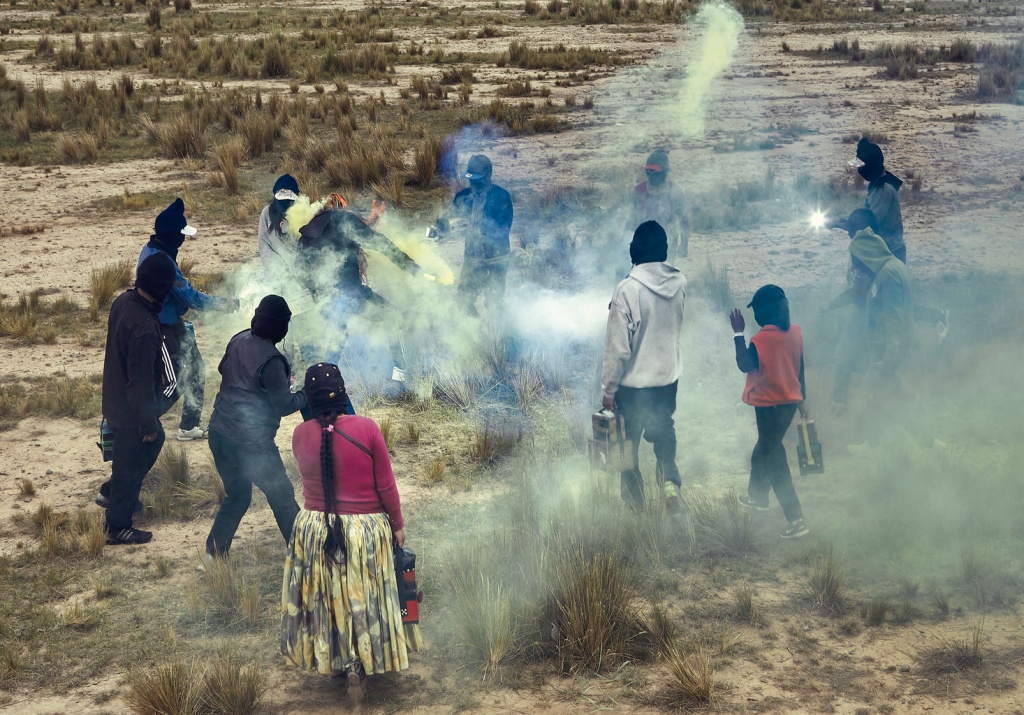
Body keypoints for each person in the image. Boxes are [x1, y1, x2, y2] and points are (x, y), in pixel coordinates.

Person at [282, 362, 421, 701]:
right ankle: (363, 662)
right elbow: (386, 486)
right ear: (343, 394)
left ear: (310, 402)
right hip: (364, 532)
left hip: (315, 530)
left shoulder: (300, 434)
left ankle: (338, 660)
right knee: (365, 597)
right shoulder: (367, 428)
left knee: (330, 597)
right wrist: (398, 525)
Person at [204, 296, 307, 556]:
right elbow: (284, 405)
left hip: (219, 434)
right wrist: (308, 395)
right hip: (251, 445)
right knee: (281, 496)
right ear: (280, 327)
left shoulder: (239, 338)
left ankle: (213, 556)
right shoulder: (272, 360)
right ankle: (305, 554)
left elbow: (222, 368)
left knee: (237, 496)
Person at [601, 220, 685, 514]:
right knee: (664, 436)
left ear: (634, 250)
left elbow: (618, 349)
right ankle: (670, 488)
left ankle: (635, 508)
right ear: (663, 250)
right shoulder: (679, 283)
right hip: (667, 382)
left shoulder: (627, 290)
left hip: (633, 388)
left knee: (627, 445)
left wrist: (608, 390)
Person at [138, 198, 236, 442]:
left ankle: (188, 425)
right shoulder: (163, 264)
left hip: (172, 324)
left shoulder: (152, 250)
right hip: (165, 328)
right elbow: (192, 298)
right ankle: (143, 422)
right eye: (181, 234)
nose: (184, 240)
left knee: (193, 373)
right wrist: (225, 304)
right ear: (172, 236)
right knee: (179, 380)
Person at [99, 253, 179, 545]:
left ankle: (119, 496)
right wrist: (147, 423)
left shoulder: (123, 302)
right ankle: (118, 526)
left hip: (115, 400)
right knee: (131, 464)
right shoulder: (144, 326)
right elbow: (141, 382)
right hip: (131, 411)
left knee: (128, 461)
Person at [729, 285, 809, 540]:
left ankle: (796, 518)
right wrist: (802, 400)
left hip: (768, 406)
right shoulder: (795, 333)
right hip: (788, 405)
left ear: (763, 312)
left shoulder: (761, 340)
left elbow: (744, 363)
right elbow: (800, 369)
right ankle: (758, 496)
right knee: (765, 448)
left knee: (774, 457)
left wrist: (738, 333)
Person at [435, 154, 514, 317]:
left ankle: (500, 335)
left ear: (488, 177)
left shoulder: (502, 197)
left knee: (493, 302)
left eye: (477, 180)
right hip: (472, 258)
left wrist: (482, 232)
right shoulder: (463, 196)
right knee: (463, 300)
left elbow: (503, 228)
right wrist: (442, 222)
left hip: (497, 259)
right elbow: (450, 214)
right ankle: (476, 331)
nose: (473, 183)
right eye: (471, 179)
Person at [622, 148, 690, 262]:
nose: (650, 174)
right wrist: (623, 243)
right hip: (642, 245)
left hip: (667, 247)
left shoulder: (675, 192)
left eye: (654, 171)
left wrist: (684, 245)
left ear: (664, 171)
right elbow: (632, 220)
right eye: (648, 171)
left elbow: (684, 220)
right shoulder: (639, 191)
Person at [258, 174, 300, 288]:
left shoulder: (303, 214)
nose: (285, 203)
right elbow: (264, 246)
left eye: (289, 200)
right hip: (274, 276)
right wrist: (281, 270)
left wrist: (291, 228)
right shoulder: (266, 213)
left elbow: (304, 246)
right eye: (282, 200)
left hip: (298, 277)